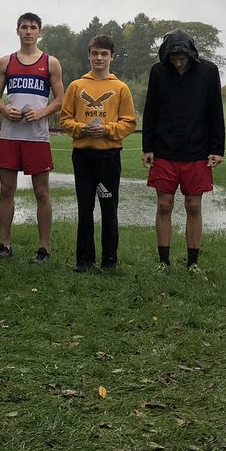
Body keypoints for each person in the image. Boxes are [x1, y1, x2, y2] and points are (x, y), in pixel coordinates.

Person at [141, 29, 226, 276]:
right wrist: (148, 147)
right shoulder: (158, 72)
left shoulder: (208, 72)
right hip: (164, 149)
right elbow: (151, 110)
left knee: (193, 205)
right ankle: (164, 262)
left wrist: (217, 148)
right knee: (164, 204)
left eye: (182, 57)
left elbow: (215, 111)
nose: (178, 62)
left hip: (197, 151)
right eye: (174, 57)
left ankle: (193, 263)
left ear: (191, 54)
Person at [0, 12, 64, 263]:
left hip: (37, 138)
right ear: (18, 31)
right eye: (24, 27)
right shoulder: (6, 62)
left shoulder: (50, 62)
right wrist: (4, 110)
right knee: (6, 190)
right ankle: (4, 244)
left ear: (40, 32)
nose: (29, 31)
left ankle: (43, 248)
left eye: (33, 27)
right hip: (10, 136)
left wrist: (42, 112)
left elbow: (60, 100)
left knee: (42, 193)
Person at [60, 35, 136, 273]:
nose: (99, 58)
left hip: (109, 156)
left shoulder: (120, 88)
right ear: (89, 56)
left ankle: (109, 259)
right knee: (84, 207)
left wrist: (107, 129)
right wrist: (81, 128)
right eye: (95, 53)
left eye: (104, 54)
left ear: (112, 57)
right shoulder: (76, 86)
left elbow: (129, 122)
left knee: (109, 207)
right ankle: (84, 259)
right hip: (82, 156)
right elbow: (65, 119)